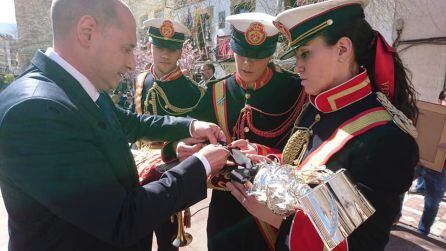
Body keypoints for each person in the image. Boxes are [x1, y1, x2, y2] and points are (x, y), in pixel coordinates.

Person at [0, 0, 230, 250]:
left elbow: (132, 122)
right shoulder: (36, 111)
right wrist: (201, 164)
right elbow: (122, 218)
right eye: (126, 48)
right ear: (87, 31)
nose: (132, 63)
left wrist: (191, 126)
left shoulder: (73, 88)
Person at [226, 0, 419, 250]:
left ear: (342, 49)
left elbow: (358, 243)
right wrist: (263, 157)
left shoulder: (385, 139)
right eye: (296, 56)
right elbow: (304, 171)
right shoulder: (316, 109)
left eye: (305, 53)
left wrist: (273, 215)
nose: (298, 66)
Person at [189, 13, 306, 251]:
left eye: (257, 56)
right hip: (225, 207)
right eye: (241, 54)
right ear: (231, 48)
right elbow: (196, 142)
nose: (247, 63)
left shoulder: (295, 90)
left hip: (272, 209)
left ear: (270, 54)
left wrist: (262, 154)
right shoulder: (216, 92)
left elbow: (304, 149)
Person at [133, 18, 204, 117]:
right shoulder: (140, 81)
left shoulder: (195, 92)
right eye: (159, 48)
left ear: (180, 53)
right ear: (149, 47)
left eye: (172, 49)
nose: (165, 55)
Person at [408, 90, 446, 235]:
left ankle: (423, 232)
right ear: (439, 100)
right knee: (398, 188)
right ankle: (395, 218)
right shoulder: (428, 114)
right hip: (417, 161)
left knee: (432, 204)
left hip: (440, 170)